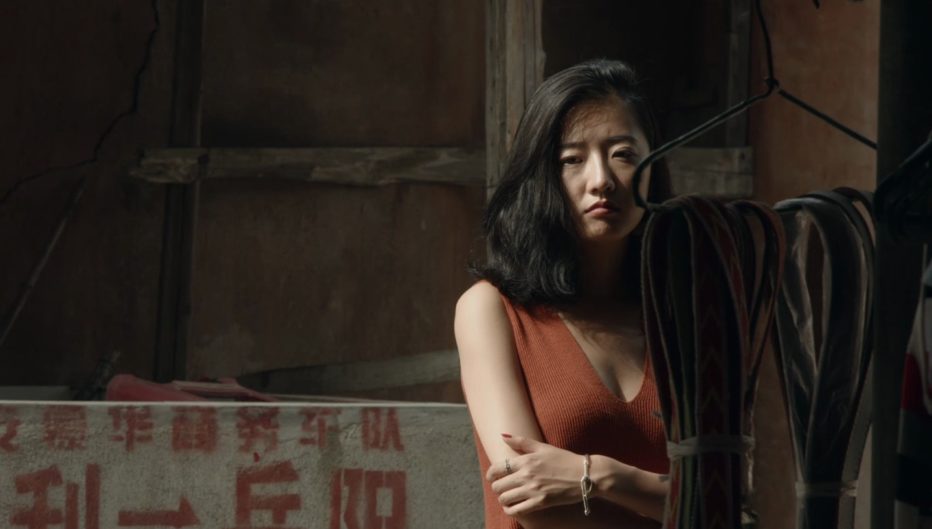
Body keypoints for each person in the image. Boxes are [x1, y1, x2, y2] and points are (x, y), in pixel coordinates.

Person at [454, 59, 673, 529]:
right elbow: (534, 505)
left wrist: (597, 475)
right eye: (572, 159)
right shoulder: (492, 310)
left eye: (623, 154)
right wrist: (669, 497)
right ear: (542, 177)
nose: (601, 180)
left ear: (653, 167)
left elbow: (734, 504)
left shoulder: (683, 316)